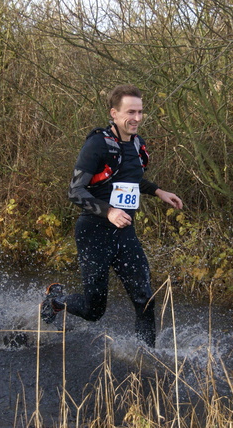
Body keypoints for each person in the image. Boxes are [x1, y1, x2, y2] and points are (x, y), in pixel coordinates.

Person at [41, 84, 183, 347]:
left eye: (141, 112)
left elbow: (128, 181)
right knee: (94, 311)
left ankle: (145, 356)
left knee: (145, 299)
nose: (137, 118)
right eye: (131, 112)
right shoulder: (98, 144)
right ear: (114, 113)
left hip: (124, 232)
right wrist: (109, 212)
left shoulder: (138, 144)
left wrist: (158, 191)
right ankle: (56, 299)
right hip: (94, 232)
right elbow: (75, 191)